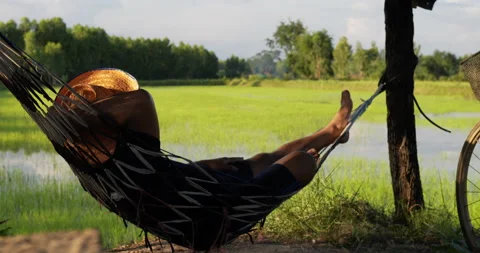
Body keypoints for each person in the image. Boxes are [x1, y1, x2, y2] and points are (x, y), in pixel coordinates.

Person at [51, 68, 353, 249]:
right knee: (301, 161)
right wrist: (79, 116)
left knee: (261, 159)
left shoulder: (104, 161)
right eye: (110, 102)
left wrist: (205, 166)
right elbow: (141, 101)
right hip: (212, 216)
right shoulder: (119, 153)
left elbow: (158, 177)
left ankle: (333, 130)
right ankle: (323, 143)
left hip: (199, 188)